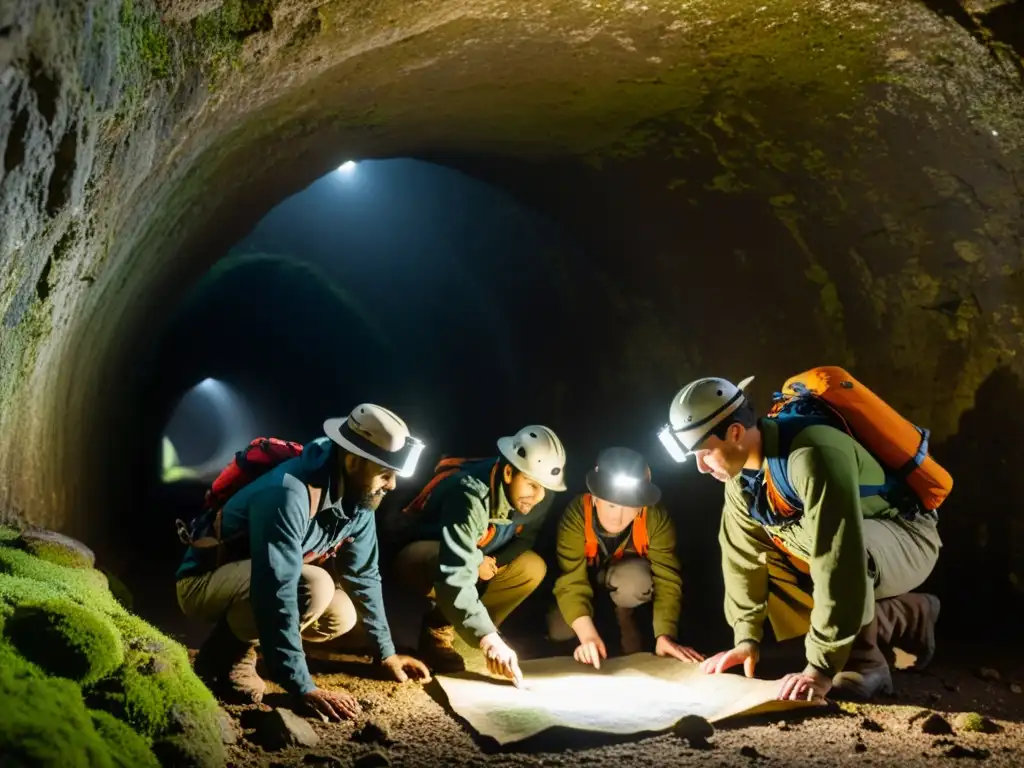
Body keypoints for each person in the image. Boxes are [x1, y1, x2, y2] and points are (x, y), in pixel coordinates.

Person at [658, 375, 943, 702]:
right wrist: (745, 639)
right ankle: (908, 613)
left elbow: (839, 556)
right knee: (773, 545)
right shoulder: (743, 481)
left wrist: (820, 669)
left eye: (705, 453)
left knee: (846, 557)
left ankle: (866, 662)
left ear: (735, 433)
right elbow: (742, 557)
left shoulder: (811, 454)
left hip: (908, 536)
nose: (701, 467)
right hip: (844, 540)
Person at [175, 404, 431, 722]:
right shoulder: (287, 493)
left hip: (254, 580)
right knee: (314, 585)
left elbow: (364, 575)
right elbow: (276, 586)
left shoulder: (359, 503)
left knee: (341, 613)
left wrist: (386, 653)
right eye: (385, 473)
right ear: (352, 461)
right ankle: (226, 656)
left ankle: (237, 645)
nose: (391, 485)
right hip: (202, 583)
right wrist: (303, 686)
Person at [393, 425, 568, 686]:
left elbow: (525, 538)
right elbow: (456, 569)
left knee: (532, 568)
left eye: (544, 487)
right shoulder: (470, 493)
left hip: (478, 554)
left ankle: (450, 623)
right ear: (509, 472)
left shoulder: (540, 493)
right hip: (423, 555)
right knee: (455, 567)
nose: (538, 496)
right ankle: (448, 630)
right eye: (531, 485)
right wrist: (489, 639)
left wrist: (493, 562)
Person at [549, 446, 704, 668]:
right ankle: (592, 630)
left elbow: (668, 578)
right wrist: (587, 637)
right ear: (594, 498)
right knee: (559, 628)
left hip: (625, 579)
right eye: (610, 504)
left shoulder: (655, 517)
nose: (616, 517)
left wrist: (665, 635)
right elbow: (570, 579)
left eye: (628, 506)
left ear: (640, 506)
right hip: (587, 582)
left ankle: (626, 615)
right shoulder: (576, 514)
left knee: (634, 582)